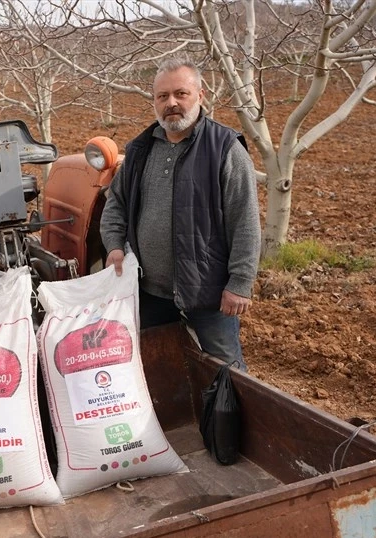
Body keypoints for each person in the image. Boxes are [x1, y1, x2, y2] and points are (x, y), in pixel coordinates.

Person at [100, 58, 260, 370]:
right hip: (150, 291)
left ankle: (223, 420)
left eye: (180, 94)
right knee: (157, 367)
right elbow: (115, 203)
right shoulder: (140, 150)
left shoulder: (225, 148)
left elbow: (245, 220)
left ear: (200, 95)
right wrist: (114, 246)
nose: (171, 103)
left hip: (209, 294)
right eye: (162, 96)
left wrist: (240, 282)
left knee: (225, 371)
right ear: (154, 102)